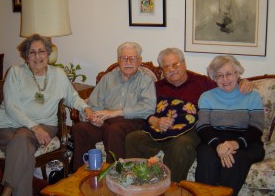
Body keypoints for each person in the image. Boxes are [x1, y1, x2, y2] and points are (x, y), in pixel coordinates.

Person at [125, 48, 253, 183]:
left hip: (188, 131)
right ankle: (136, 185)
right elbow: (142, 109)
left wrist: (242, 82)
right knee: (133, 138)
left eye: (175, 64)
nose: (172, 69)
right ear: (162, 69)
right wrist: (154, 120)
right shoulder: (155, 87)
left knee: (181, 145)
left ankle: (170, 188)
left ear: (184, 63)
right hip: (158, 130)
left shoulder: (202, 82)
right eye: (166, 66)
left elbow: (225, 83)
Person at [0, 34, 93, 196]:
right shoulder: (16, 73)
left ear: (48, 53)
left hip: (45, 125)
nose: (37, 56)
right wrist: (34, 127)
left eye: (41, 51)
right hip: (6, 125)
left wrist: (86, 109)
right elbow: (11, 107)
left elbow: (72, 98)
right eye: (32, 52)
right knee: (24, 148)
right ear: (26, 55)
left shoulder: (58, 74)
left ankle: (7, 190)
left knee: (22, 140)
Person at [71, 42, 156, 171]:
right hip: (105, 121)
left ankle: (115, 174)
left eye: (132, 58)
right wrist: (95, 118)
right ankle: (80, 175)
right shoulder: (108, 78)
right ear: (118, 60)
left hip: (133, 122)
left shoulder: (146, 80)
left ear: (139, 60)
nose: (128, 61)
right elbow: (94, 103)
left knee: (114, 130)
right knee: (80, 128)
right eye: (124, 58)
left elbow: (149, 107)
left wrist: (117, 112)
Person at [195, 55, 264, 196]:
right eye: (219, 76)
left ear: (237, 74)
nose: (224, 80)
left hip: (246, 142)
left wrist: (235, 144)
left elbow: (257, 127)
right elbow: (203, 126)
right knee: (206, 156)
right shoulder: (207, 97)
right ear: (214, 78)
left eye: (228, 74)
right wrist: (218, 145)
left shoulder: (252, 96)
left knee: (235, 159)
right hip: (214, 141)